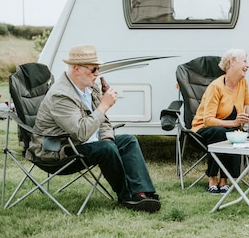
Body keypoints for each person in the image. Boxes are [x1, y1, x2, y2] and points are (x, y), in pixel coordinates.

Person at [27, 45, 161, 213]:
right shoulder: (60, 95)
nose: (98, 73)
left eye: (98, 68)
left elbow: (102, 121)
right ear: (76, 69)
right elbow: (81, 133)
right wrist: (104, 105)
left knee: (128, 140)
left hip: (82, 142)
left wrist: (107, 137)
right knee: (106, 149)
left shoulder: (91, 88)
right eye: (93, 69)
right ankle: (127, 197)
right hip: (57, 150)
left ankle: (142, 193)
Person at [191, 49, 249, 194]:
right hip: (203, 130)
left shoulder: (243, 84)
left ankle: (225, 179)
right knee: (222, 132)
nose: (248, 65)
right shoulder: (216, 87)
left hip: (228, 129)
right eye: (245, 61)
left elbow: (247, 111)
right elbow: (208, 120)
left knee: (235, 133)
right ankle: (212, 178)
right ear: (232, 62)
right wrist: (233, 123)